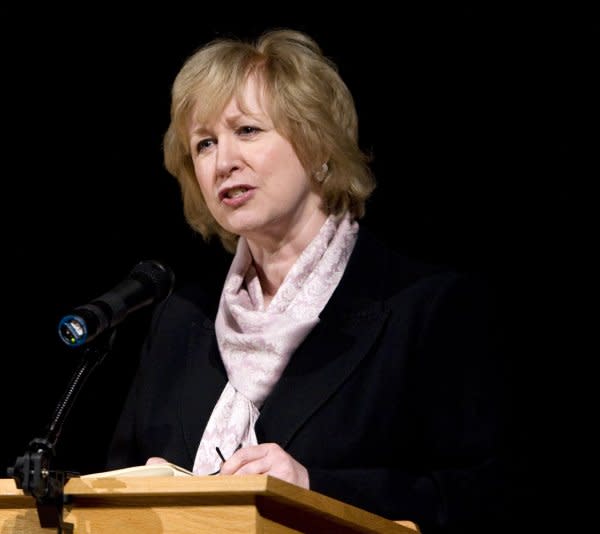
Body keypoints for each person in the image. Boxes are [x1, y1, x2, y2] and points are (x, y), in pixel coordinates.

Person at [104, 28, 508, 533]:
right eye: (204, 143)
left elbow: (486, 497)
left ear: (318, 144)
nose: (223, 161)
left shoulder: (423, 307)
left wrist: (313, 488)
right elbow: (117, 480)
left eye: (247, 131)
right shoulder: (179, 319)